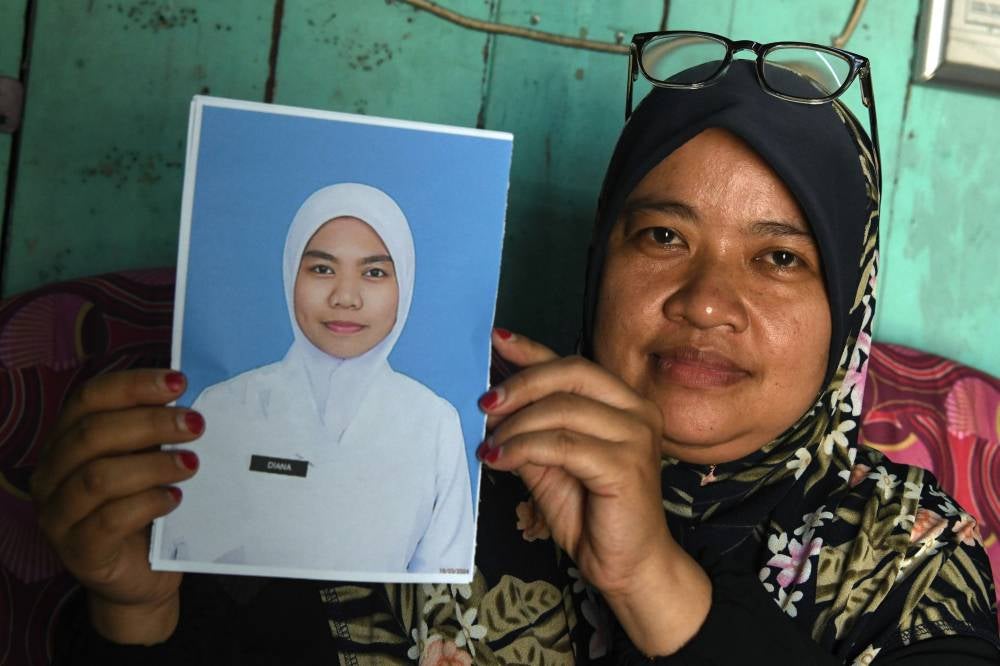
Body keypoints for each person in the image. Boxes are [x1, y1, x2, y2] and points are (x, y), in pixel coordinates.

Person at [34, 32, 999, 664]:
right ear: (599, 264)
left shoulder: (908, 558)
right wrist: (138, 617)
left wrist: (647, 574)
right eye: (661, 236)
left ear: (848, 312)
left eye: (781, 258)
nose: (708, 303)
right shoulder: (434, 457)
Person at [158, 182, 475, 575]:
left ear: (404, 285)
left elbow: (442, 589)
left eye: (374, 272)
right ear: (292, 273)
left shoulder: (434, 423)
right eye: (322, 269)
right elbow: (170, 561)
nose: (345, 297)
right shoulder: (221, 407)